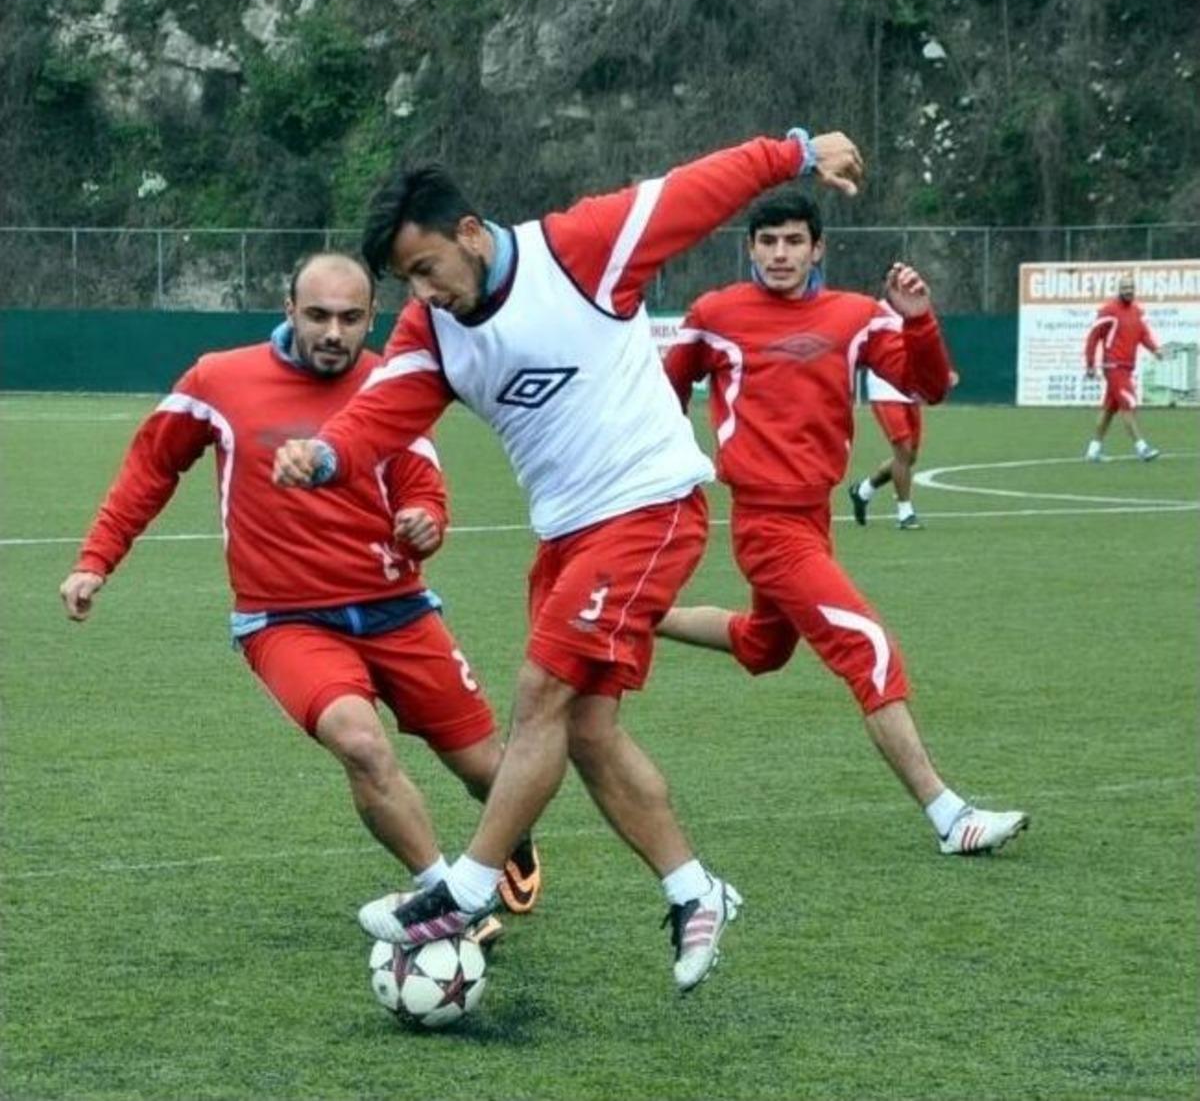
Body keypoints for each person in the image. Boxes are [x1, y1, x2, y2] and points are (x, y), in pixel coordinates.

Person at [271, 128, 866, 991]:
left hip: (648, 506)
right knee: (586, 731)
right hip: (566, 535)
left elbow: (692, 191)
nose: (427, 291)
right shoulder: (431, 327)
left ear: (471, 233)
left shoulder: (579, 248)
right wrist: (324, 456)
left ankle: (465, 891)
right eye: (410, 282)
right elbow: (380, 415)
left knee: (540, 692)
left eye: (430, 267)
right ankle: (694, 891)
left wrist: (799, 151)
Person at [58, 252, 541, 942]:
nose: (334, 332)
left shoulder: (390, 382)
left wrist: (424, 523)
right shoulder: (218, 380)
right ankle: (445, 898)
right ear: (288, 310)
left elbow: (421, 483)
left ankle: (510, 837)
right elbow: (151, 466)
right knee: (361, 745)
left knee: (484, 768)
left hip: (397, 609)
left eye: (350, 318)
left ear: (372, 318)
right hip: (284, 620)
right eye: (318, 315)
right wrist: (96, 560)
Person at [657, 189, 1029, 856]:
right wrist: (667, 466)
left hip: (813, 518)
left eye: (794, 241)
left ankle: (640, 614)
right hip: (765, 526)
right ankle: (951, 817)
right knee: (869, 649)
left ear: (817, 247)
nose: (779, 253)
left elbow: (932, 385)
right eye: (767, 241)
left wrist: (917, 319)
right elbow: (665, 392)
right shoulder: (714, 314)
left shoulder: (857, 316)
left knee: (763, 647)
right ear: (750, 248)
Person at [849, 364, 960, 530]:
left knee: (910, 457)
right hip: (884, 390)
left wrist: (942, 370)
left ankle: (863, 490)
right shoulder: (876, 337)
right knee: (903, 452)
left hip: (909, 390)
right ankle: (905, 513)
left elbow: (925, 347)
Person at [1083, 270, 1162, 462]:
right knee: (1129, 403)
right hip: (1113, 365)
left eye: (1131, 287)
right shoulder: (1109, 310)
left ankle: (1093, 451)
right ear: (1119, 289)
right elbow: (1093, 336)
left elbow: (1143, 335)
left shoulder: (1136, 312)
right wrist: (1090, 363)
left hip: (1126, 367)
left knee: (1110, 409)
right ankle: (1142, 448)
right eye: (1125, 287)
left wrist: (1155, 349)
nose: (1128, 290)